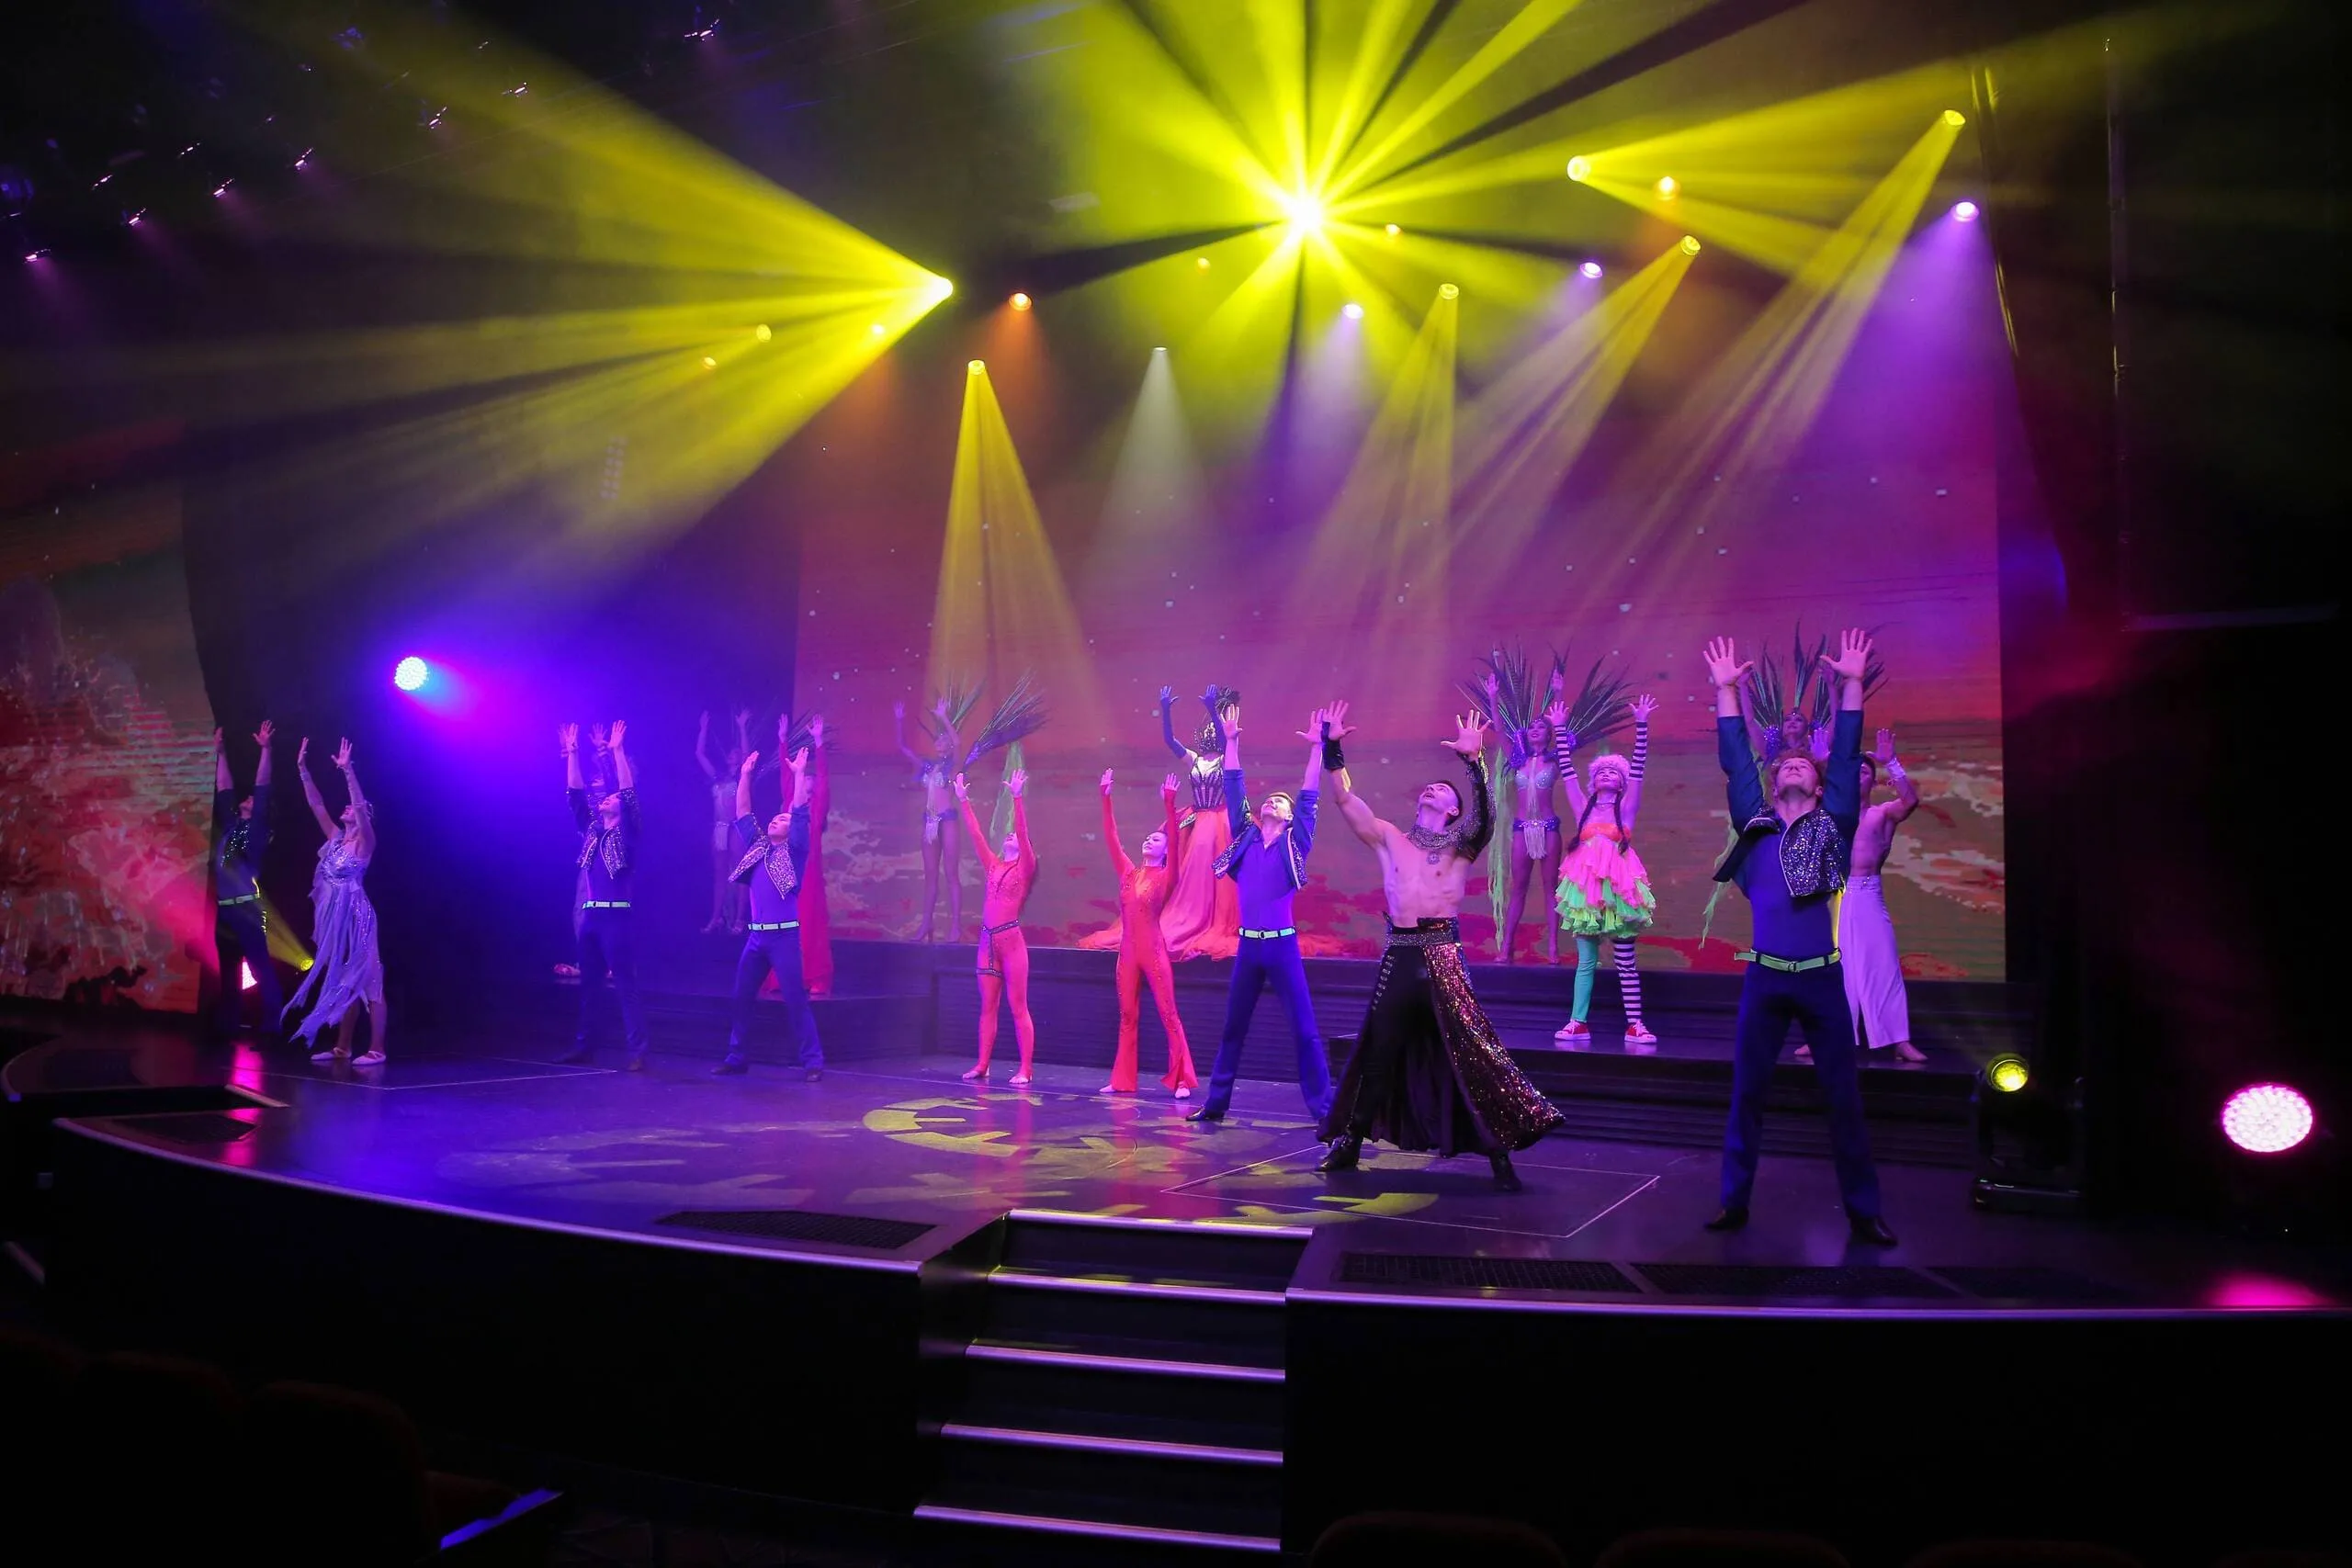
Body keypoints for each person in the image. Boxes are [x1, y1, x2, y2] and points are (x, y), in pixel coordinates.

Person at [1314, 704, 1563, 1190]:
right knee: (1379, 1052)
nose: (1432, 789)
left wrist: (1474, 762)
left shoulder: (1460, 843)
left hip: (1442, 954)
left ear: (1452, 810)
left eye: (1443, 791)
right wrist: (1332, 747)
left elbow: (1486, 816)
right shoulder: (1389, 838)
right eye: (1429, 787)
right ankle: (1350, 1142)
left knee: (1467, 1055)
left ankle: (1499, 1155)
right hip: (1400, 955)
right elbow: (1344, 799)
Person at [1701, 631, 1895, 1245]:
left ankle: (1863, 1212)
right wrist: (1727, 691)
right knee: (1747, 1095)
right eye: (1784, 762)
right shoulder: (1755, 827)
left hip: (1820, 979)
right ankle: (1733, 1202)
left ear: (1817, 786)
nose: (1792, 764)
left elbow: (1846, 754)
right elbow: (1736, 760)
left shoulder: (1834, 825)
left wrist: (1852, 683)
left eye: (1803, 765)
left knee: (1843, 1099)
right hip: (1765, 978)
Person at [1186, 694, 1333, 1126]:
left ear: (1289, 817)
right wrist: (1231, 741)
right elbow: (1234, 787)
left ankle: (1325, 1111)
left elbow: (1310, 795)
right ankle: (1216, 1104)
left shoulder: (1295, 843)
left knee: (1304, 1031)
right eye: (1268, 800)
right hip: (1248, 949)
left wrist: (1317, 748)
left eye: (1280, 802)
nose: (1272, 802)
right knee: (1233, 1028)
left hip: (1282, 948)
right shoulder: (1245, 840)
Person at [1804, 732, 1928, 1065]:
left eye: (1864, 772)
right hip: (1834, 897)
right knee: (1831, 969)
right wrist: (1823, 762)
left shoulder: (1881, 813)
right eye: (1852, 771)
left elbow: (1910, 802)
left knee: (1883, 966)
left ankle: (1899, 1040)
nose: (1857, 775)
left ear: (1873, 781)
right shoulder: (1829, 814)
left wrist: (1891, 762)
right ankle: (1821, 1037)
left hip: (1868, 893)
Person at [1549, 693, 1658, 1051]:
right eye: (1601, 772)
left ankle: (1635, 1024)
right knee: (1586, 961)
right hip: (1587, 893)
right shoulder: (1583, 807)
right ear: (1594, 781)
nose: (1607, 775)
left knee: (1625, 961)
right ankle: (1577, 1021)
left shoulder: (1626, 810)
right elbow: (1567, 772)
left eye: (1613, 771)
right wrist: (1560, 729)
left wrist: (1642, 725)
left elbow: (1639, 769)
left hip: (1618, 892)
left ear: (1621, 782)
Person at [713, 746, 824, 1078]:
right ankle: (736, 1057)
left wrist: (799, 774)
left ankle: (813, 1062)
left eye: (783, 819)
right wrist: (745, 775)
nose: (777, 819)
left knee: (795, 999)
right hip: (756, 939)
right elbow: (743, 812)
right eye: (775, 817)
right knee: (741, 996)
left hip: (784, 937)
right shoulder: (759, 846)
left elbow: (800, 813)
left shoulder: (796, 850)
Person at [282, 737, 388, 1066]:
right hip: (335, 919)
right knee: (344, 980)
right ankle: (343, 1046)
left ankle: (377, 1048)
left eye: (353, 808)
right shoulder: (336, 839)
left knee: (370, 979)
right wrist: (302, 769)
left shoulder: (365, 843)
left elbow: (359, 808)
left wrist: (348, 771)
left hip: (357, 917)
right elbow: (316, 804)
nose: (347, 808)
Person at [1097, 767, 1197, 1098]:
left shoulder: (1167, 876)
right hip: (1127, 953)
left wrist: (1169, 805)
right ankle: (1122, 1080)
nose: (1148, 840)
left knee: (1168, 1013)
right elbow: (1112, 838)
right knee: (1127, 1015)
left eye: (1155, 839)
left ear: (1165, 850)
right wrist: (1105, 798)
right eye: (1147, 838)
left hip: (1153, 951)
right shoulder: (1129, 873)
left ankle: (1182, 1080)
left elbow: (1176, 842)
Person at [556, 720, 647, 1071]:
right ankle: (585, 1047)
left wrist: (618, 751)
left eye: (612, 798)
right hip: (592, 917)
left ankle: (637, 1051)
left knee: (625, 984)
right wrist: (573, 753)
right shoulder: (593, 830)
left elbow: (628, 793)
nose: (607, 799)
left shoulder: (629, 832)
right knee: (590, 986)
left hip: (617, 917)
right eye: (606, 798)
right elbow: (575, 796)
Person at [956, 767, 1037, 1084]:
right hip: (987, 942)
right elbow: (976, 835)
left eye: (1013, 835)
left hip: (1011, 942)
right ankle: (982, 1064)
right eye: (1007, 835)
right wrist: (963, 801)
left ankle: (1026, 1069)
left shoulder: (1025, 867)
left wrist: (1017, 797)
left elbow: (1023, 832)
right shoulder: (993, 864)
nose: (1010, 835)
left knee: (1018, 1007)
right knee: (988, 1006)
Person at [210, 720, 285, 1042]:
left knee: (259, 968)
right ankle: (227, 1025)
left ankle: (272, 1026)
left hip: (246, 910)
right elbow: (224, 789)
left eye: (254, 801)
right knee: (227, 970)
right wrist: (221, 753)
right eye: (249, 799)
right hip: (225, 909)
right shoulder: (232, 825)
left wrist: (266, 750)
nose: (249, 798)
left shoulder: (255, 832)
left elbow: (262, 786)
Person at [1490, 668, 1566, 966]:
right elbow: (1499, 732)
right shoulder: (1518, 760)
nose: (1536, 729)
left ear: (1549, 734)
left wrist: (1559, 693)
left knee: (1550, 888)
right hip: (1522, 829)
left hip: (1549, 828)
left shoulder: (1556, 759)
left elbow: (1562, 724)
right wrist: (1493, 698)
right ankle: (1506, 948)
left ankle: (1553, 950)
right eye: (1532, 727)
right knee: (1518, 888)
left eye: (1541, 727)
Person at [893, 695, 968, 943]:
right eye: (937, 739)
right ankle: (926, 924)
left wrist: (943, 717)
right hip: (930, 822)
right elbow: (903, 747)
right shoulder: (928, 766)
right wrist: (899, 720)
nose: (940, 741)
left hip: (947, 820)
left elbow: (958, 742)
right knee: (930, 876)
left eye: (943, 739)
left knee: (951, 873)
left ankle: (955, 926)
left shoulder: (953, 766)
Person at [695, 709, 752, 934]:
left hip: (736, 827)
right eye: (730, 752)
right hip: (719, 827)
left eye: (735, 753)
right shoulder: (718, 777)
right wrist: (703, 729)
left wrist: (742, 727)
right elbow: (699, 754)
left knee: (740, 872)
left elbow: (747, 755)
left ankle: (739, 919)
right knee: (719, 874)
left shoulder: (743, 776)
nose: (732, 754)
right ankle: (716, 917)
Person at [799, 714, 835, 998]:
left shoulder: (817, 808)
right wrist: (781, 742)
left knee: (811, 922)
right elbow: (788, 780)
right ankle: (788, 975)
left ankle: (813, 975)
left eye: (810, 777)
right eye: (805, 776)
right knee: (789, 925)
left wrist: (819, 742)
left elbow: (823, 779)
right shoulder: (792, 806)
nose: (809, 779)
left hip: (809, 871)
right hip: (789, 871)